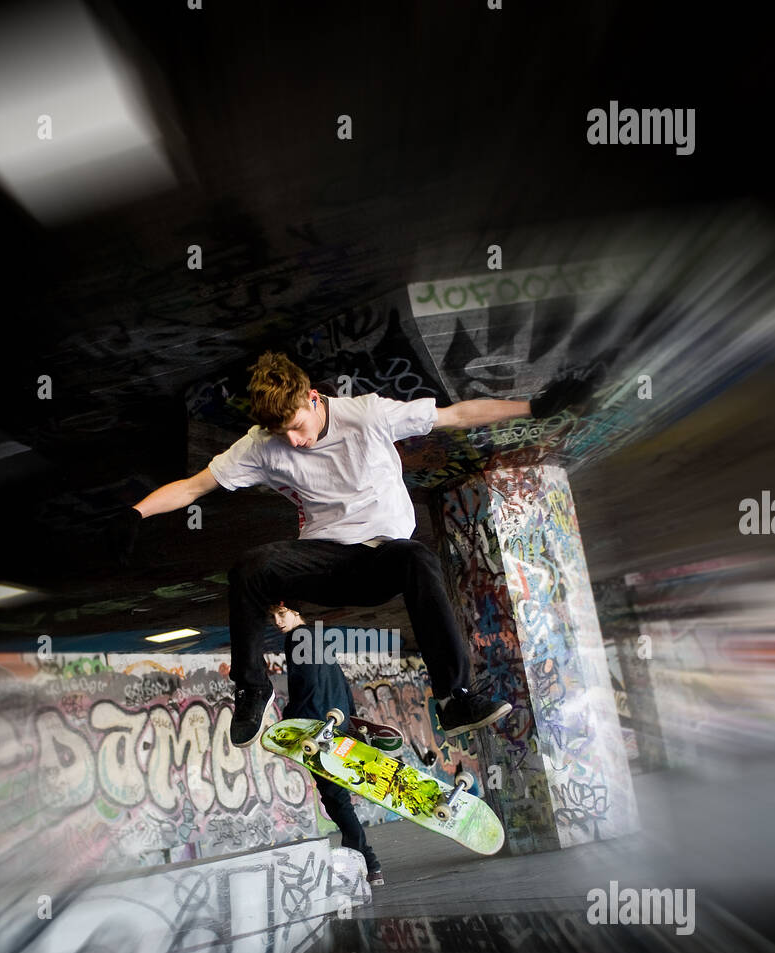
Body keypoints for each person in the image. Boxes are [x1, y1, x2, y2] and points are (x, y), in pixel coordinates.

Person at [131, 352, 602, 746]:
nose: (295, 441)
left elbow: (455, 416)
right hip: (328, 562)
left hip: (383, 559)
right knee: (253, 565)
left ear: (314, 398)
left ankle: (454, 698)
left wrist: (535, 407)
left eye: (298, 426)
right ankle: (251, 691)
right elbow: (192, 488)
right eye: (283, 436)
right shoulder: (260, 445)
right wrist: (133, 515)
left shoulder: (369, 414)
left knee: (417, 556)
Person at [269, 600, 384, 887]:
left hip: (318, 731)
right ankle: (358, 856)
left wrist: (291, 717)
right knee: (337, 797)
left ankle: (369, 864)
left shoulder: (296, 638)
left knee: (335, 798)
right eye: (273, 616)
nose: (277, 621)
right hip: (338, 722)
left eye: (281, 614)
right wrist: (352, 718)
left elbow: (304, 684)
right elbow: (340, 680)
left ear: (295, 612)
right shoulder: (319, 637)